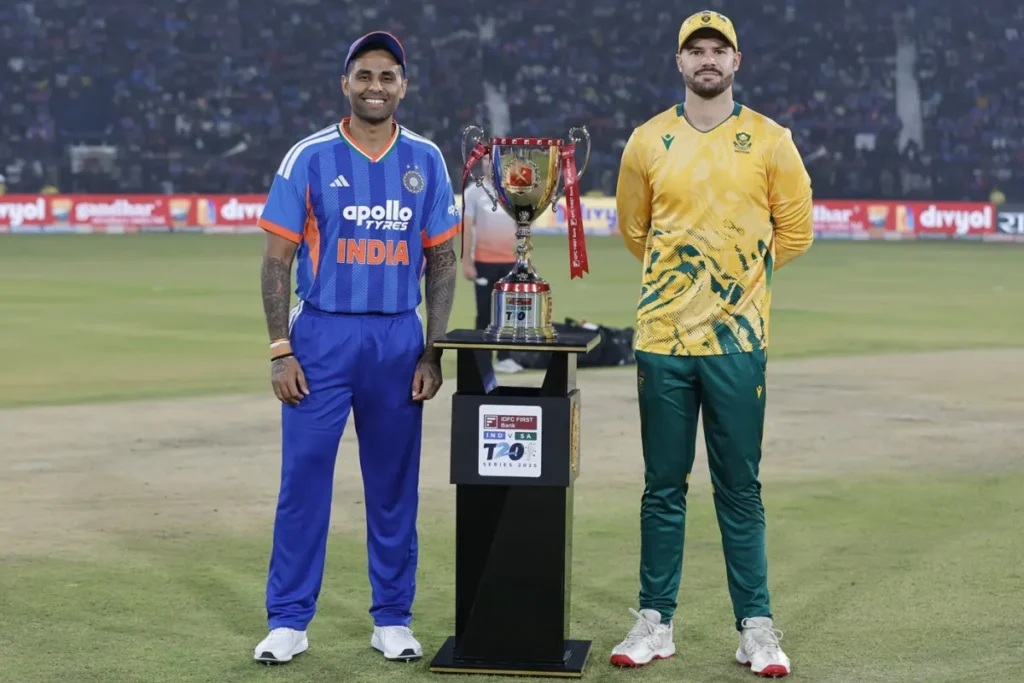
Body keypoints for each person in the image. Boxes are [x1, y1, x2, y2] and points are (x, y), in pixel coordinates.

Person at [610, 10, 814, 678]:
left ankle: (756, 627)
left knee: (739, 489)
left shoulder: (770, 140)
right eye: (694, 50)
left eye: (717, 51)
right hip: (662, 339)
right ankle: (654, 622)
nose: (706, 60)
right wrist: (684, 287)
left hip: (737, 343)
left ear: (737, 62)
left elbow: (796, 231)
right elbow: (635, 231)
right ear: (679, 63)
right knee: (662, 487)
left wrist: (734, 286)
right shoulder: (648, 141)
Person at [252, 30, 460, 665]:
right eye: (364, 75)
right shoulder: (309, 157)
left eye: (387, 76)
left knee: (395, 484)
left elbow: (444, 261)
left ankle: (392, 618)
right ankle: (288, 620)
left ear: (404, 85)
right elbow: (276, 260)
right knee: (304, 481)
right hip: (322, 335)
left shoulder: (426, 157)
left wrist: (434, 350)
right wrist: (281, 348)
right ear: (345, 84)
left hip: (398, 338)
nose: (376, 86)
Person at [461, 159, 524, 375]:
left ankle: (505, 357)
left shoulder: (516, 188)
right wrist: (466, 261)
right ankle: (483, 357)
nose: (490, 164)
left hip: (511, 261)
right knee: (484, 312)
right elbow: (467, 228)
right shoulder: (474, 192)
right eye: (487, 160)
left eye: (495, 159)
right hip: (484, 261)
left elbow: (523, 224)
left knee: (509, 311)